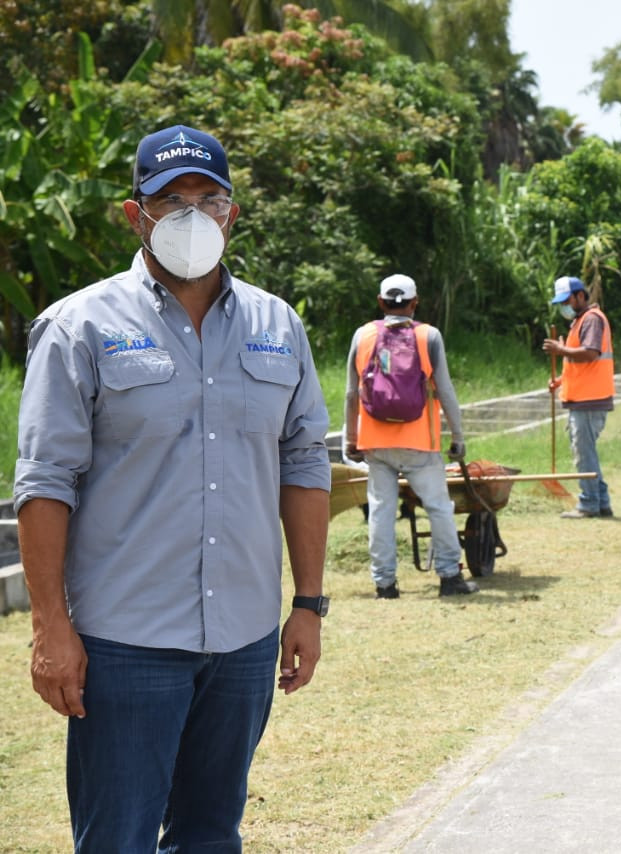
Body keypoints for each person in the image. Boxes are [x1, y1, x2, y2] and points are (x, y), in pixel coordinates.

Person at [14, 124, 332, 851]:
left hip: (245, 640)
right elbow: (44, 482)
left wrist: (308, 605)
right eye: (171, 200)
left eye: (208, 199)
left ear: (232, 213)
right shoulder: (79, 327)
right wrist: (48, 626)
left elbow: (305, 463)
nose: (192, 215)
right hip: (126, 644)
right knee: (117, 839)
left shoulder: (277, 326)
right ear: (137, 214)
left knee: (212, 835)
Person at [343, 274, 477, 598]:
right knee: (439, 507)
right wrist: (458, 436)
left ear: (380, 302)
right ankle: (449, 577)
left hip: (375, 443)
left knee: (381, 511)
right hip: (420, 443)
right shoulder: (428, 336)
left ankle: (385, 584)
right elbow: (445, 391)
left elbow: (351, 394)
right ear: (414, 303)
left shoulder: (363, 335)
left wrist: (351, 439)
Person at [542, 276, 614, 519]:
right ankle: (601, 502)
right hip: (583, 397)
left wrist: (560, 350)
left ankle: (589, 503)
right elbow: (579, 363)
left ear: (581, 296)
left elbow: (591, 353)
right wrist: (561, 381)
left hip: (590, 400)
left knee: (583, 454)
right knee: (587, 452)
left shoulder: (591, 319)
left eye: (567, 300)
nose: (565, 306)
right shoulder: (580, 320)